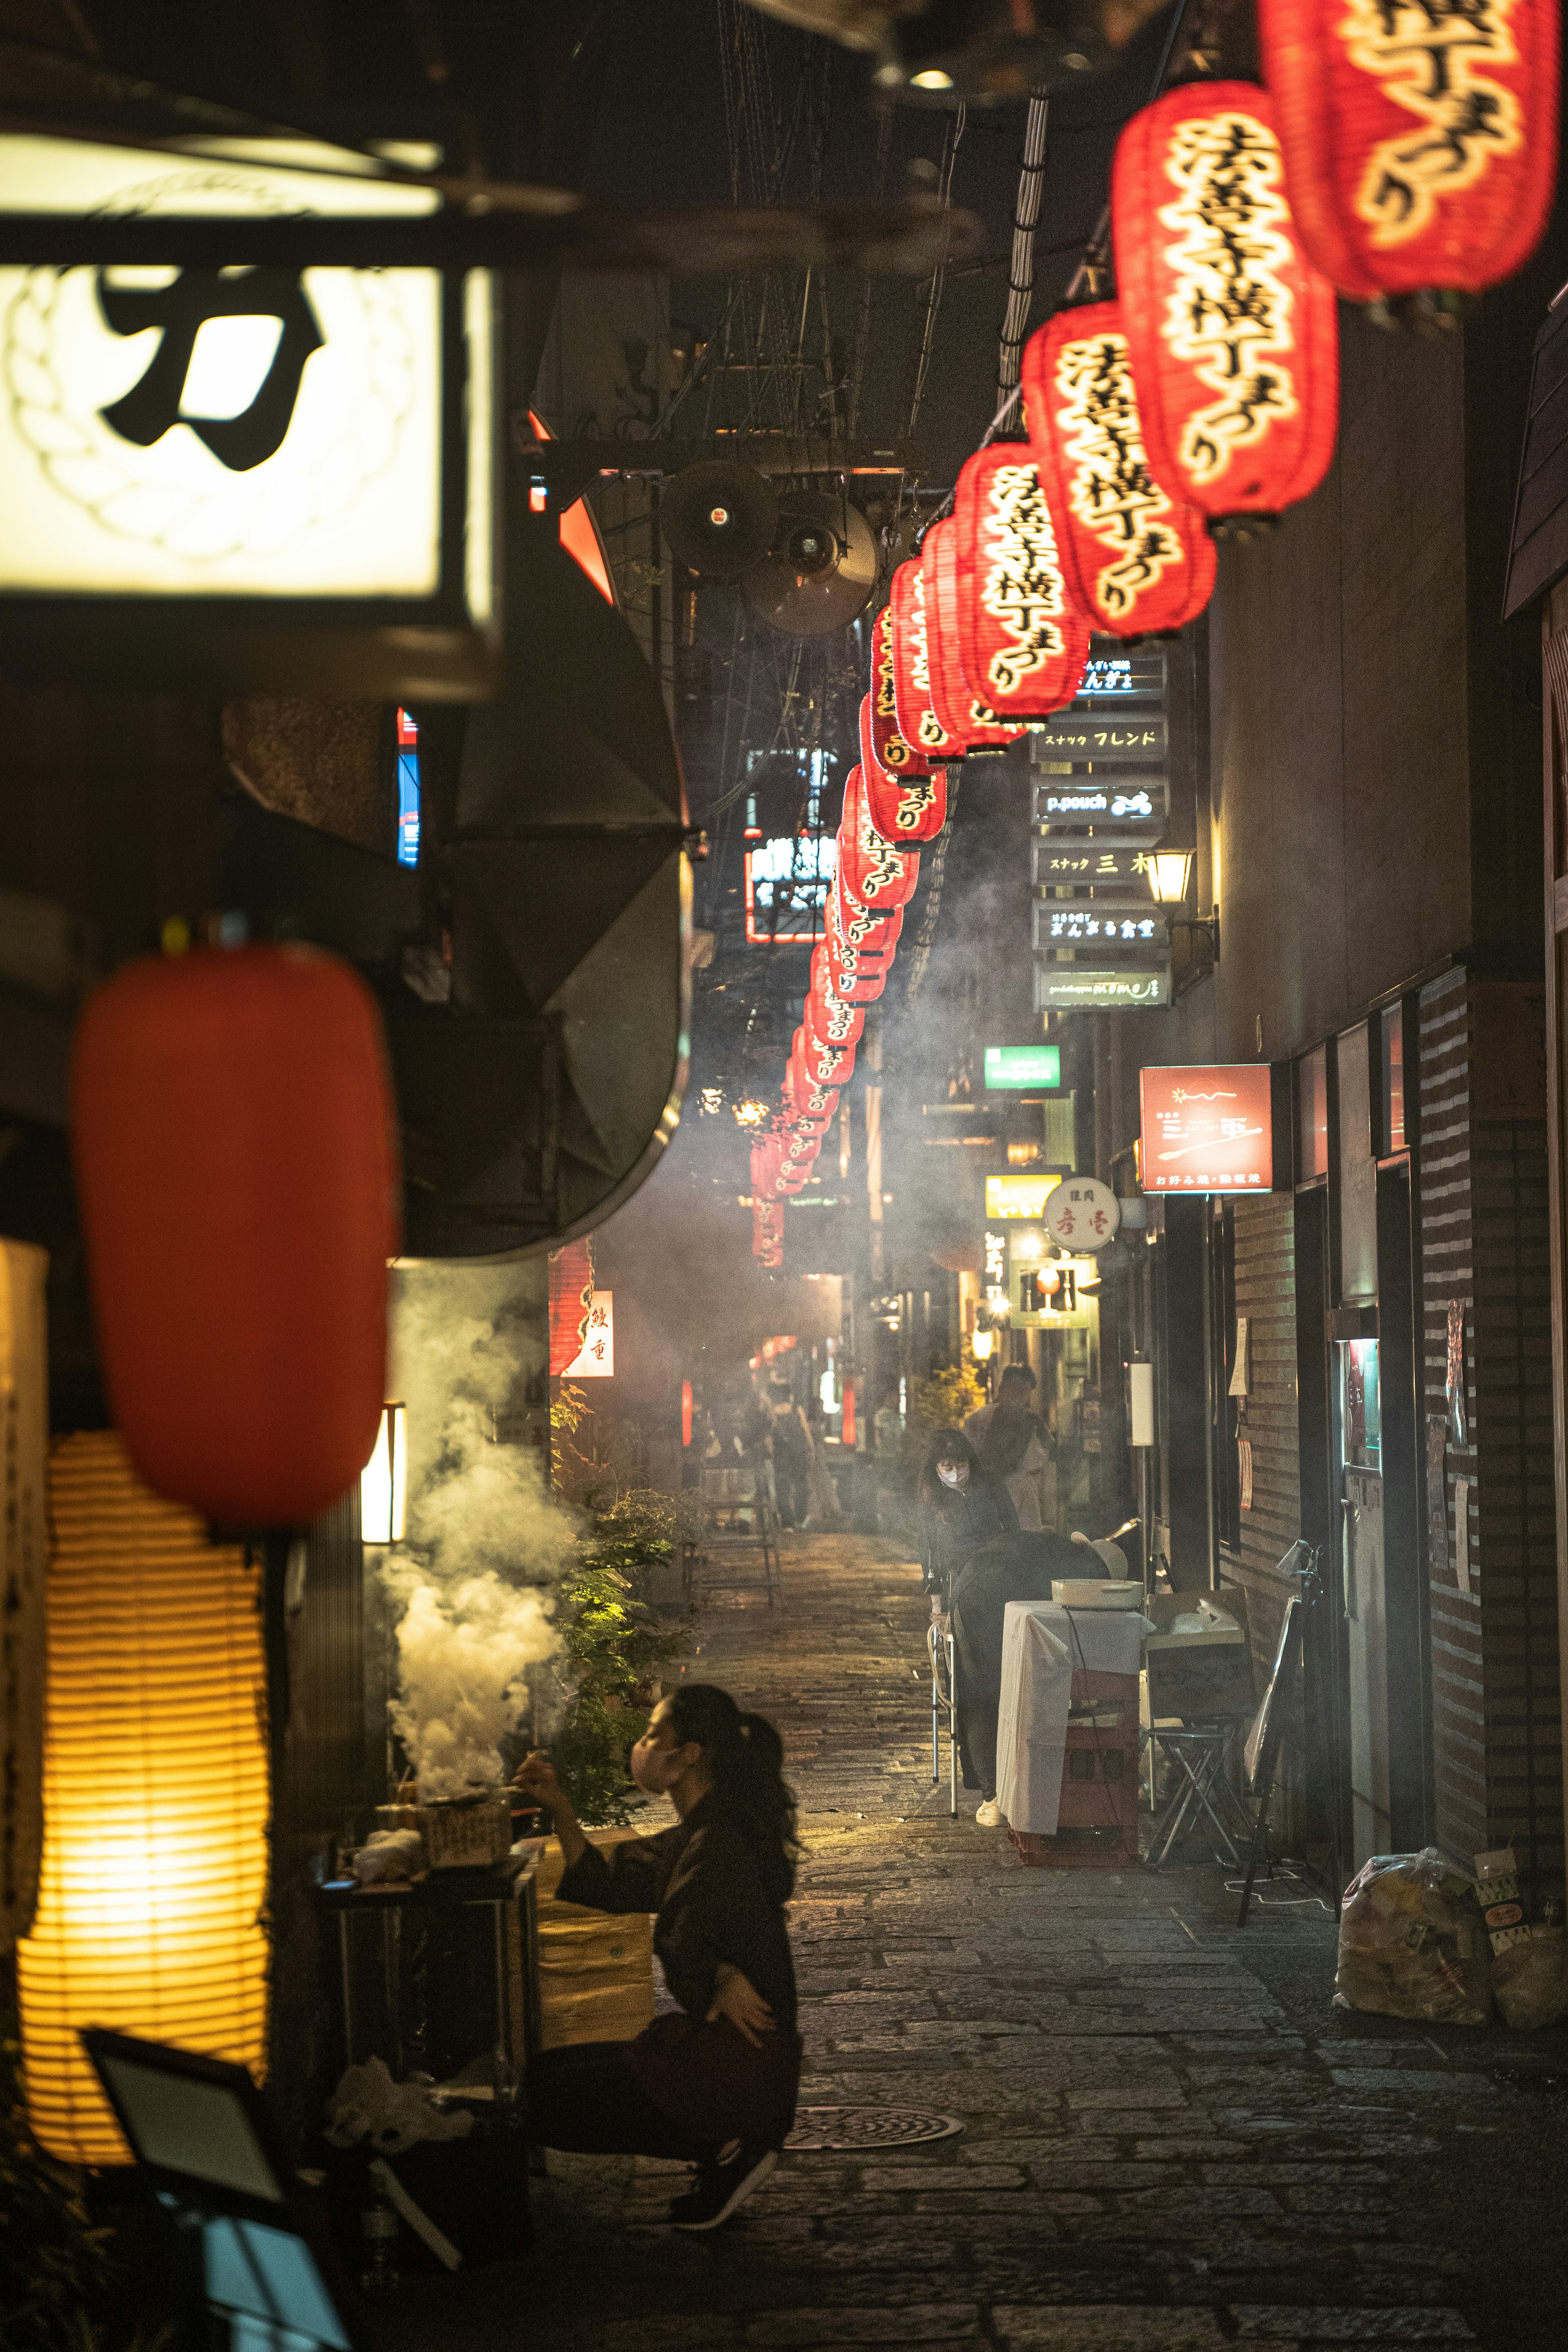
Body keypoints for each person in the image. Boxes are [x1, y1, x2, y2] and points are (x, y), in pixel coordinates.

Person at [512, 1684, 801, 2232]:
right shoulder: (705, 1829)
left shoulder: (718, 1843)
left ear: (689, 1755)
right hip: (734, 2060)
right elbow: (613, 1883)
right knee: (550, 2071)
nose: (641, 1746)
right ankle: (722, 2146)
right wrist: (561, 1811)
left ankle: (729, 2139)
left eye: (653, 1735)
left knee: (545, 2097)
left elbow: (693, 1937)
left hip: (739, 2073)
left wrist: (723, 1974)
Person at [916, 1428, 1018, 1606]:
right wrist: (935, 1597)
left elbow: (1012, 1528)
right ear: (936, 1468)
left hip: (994, 1573)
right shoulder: (930, 1496)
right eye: (948, 1468)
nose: (956, 1473)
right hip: (956, 1579)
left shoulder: (991, 1482)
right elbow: (928, 1546)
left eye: (962, 1466)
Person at [965, 1364, 1053, 1532]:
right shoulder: (1030, 1421)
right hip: (1003, 1490)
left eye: (1025, 1391)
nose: (1020, 1395)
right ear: (1003, 1389)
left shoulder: (976, 1419)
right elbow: (1043, 1457)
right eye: (1016, 1388)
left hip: (998, 1491)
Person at [767, 1381, 813, 1530]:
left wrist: (771, 1452)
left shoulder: (772, 1412)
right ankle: (801, 1518)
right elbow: (807, 1432)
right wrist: (811, 1449)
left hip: (781, 1454)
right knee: (801, 1484)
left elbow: (769, 1437)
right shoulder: (797, 1409)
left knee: (782, 1487)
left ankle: (787, 1522)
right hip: (799, 1452)